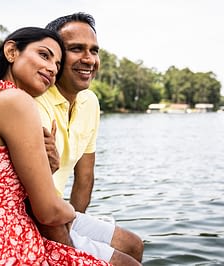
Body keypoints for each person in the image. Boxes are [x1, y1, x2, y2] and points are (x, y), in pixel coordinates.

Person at [0, 26, 110, 265]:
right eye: (44, 55)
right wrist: (70, 213)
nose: (51, 68)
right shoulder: (16, 101)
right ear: (12, 51)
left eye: (56, 64)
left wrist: (50, 168)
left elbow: (0, 183)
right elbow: (48, 210)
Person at [35, 13, 144, 265]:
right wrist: (71, 251)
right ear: (55, 56)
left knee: (133, 244)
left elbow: (85, 177)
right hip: (33, 216)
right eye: (76, 49)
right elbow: (33, 199)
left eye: (94, 51)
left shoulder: (89, 102)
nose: (89, 59)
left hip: (59, 214)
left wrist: (75, 225)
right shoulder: (36, 103)